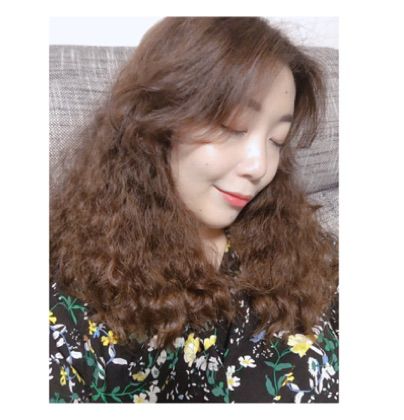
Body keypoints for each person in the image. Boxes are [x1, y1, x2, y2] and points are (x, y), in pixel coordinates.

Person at [49, 17, 339, 403]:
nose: (260, 166)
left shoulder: (296, 247)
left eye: (276, 140)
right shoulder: (69, 306)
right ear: (157, 123)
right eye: (234, 126)